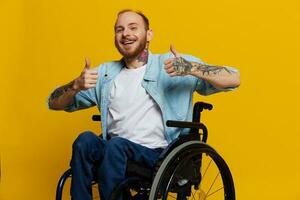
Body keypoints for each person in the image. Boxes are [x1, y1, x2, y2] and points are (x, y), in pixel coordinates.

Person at [48, 9, 240, 200]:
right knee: (85, 141)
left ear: (149, 35)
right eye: (119, 29)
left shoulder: (171, 65)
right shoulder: (105, 75)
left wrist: (192, 68)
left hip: (158, 156)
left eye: (133, 27)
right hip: (113, 154)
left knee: (116, 146)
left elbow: (234, 78)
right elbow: (54, 102)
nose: (126, 34)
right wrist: (75, 86)